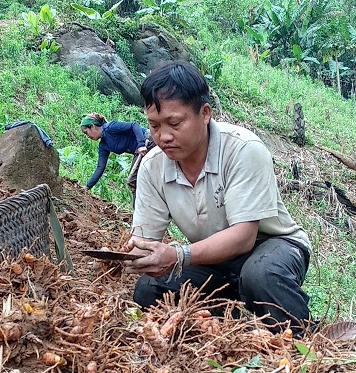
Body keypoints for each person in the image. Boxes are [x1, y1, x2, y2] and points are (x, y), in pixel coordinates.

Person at [124, 61, 312, 334]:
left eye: (174, 123)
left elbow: (244, 236)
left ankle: (307, 342)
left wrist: (178, 255)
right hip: (213, 261)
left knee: (260, 276)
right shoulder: (153, 166)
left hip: (272, 246)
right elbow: (146, 239)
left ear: (205, 113)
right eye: (153, 126)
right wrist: (136, 255)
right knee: (149, 290)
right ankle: (232, 329)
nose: (163, 136)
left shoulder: (243, 149)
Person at [80, 113, 150, 198]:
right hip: (140, 152)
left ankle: (139, 210)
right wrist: (88, 186)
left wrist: (141, 144)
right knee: (141, 180)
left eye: (86, 132)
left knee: (133, 180)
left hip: (149, 141)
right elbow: (100, 167)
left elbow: (134, 125)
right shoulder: (103, 145)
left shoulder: (111, 127)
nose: (87, 136)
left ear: (93, 126)